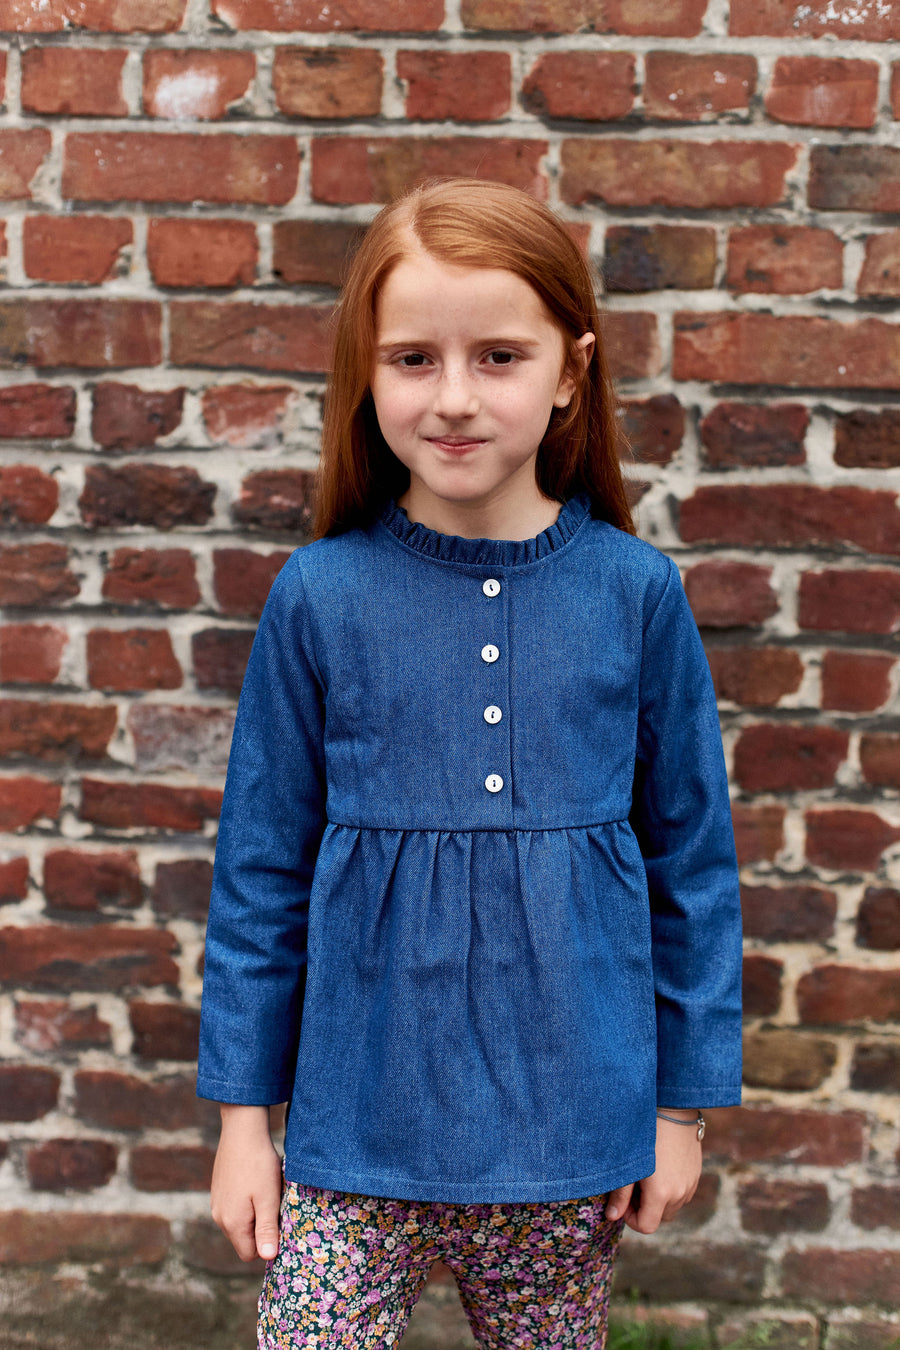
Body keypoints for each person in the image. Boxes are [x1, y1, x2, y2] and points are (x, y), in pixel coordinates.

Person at [197, 177, 743, 1350]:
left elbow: (692, 869)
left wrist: (681, 1108)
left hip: (568, 1138)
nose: (453, 398)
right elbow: (259, 875)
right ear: (367, 373)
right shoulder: (320, 597)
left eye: (499, 357)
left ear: (571, 371)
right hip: (354, 1139)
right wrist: (245, 1122)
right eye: (413, 359)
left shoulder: (635, 596)